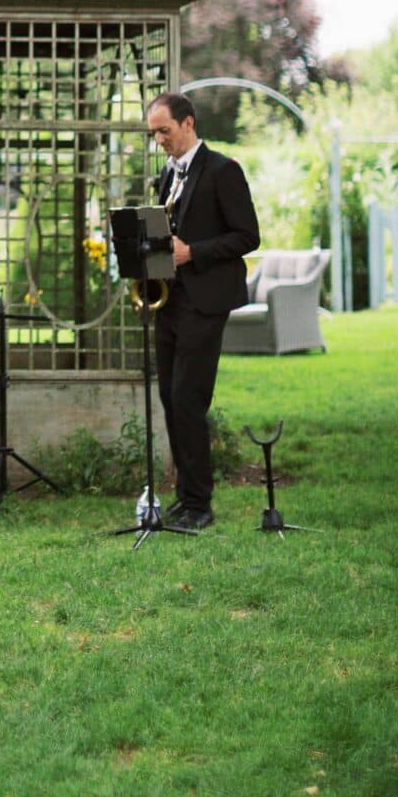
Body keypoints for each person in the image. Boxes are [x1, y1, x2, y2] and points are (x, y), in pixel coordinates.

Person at [147, 91, 260, 529]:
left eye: (165, 131)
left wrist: (192, 252)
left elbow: (247, 236)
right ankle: (186, 495)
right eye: (154, 133)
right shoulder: (168, 174)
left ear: (189, 124)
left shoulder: (223, 171)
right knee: (169, 398)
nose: (159, 140)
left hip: (206, 300)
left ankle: (201, 505)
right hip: (170, 300)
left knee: (188, 399)